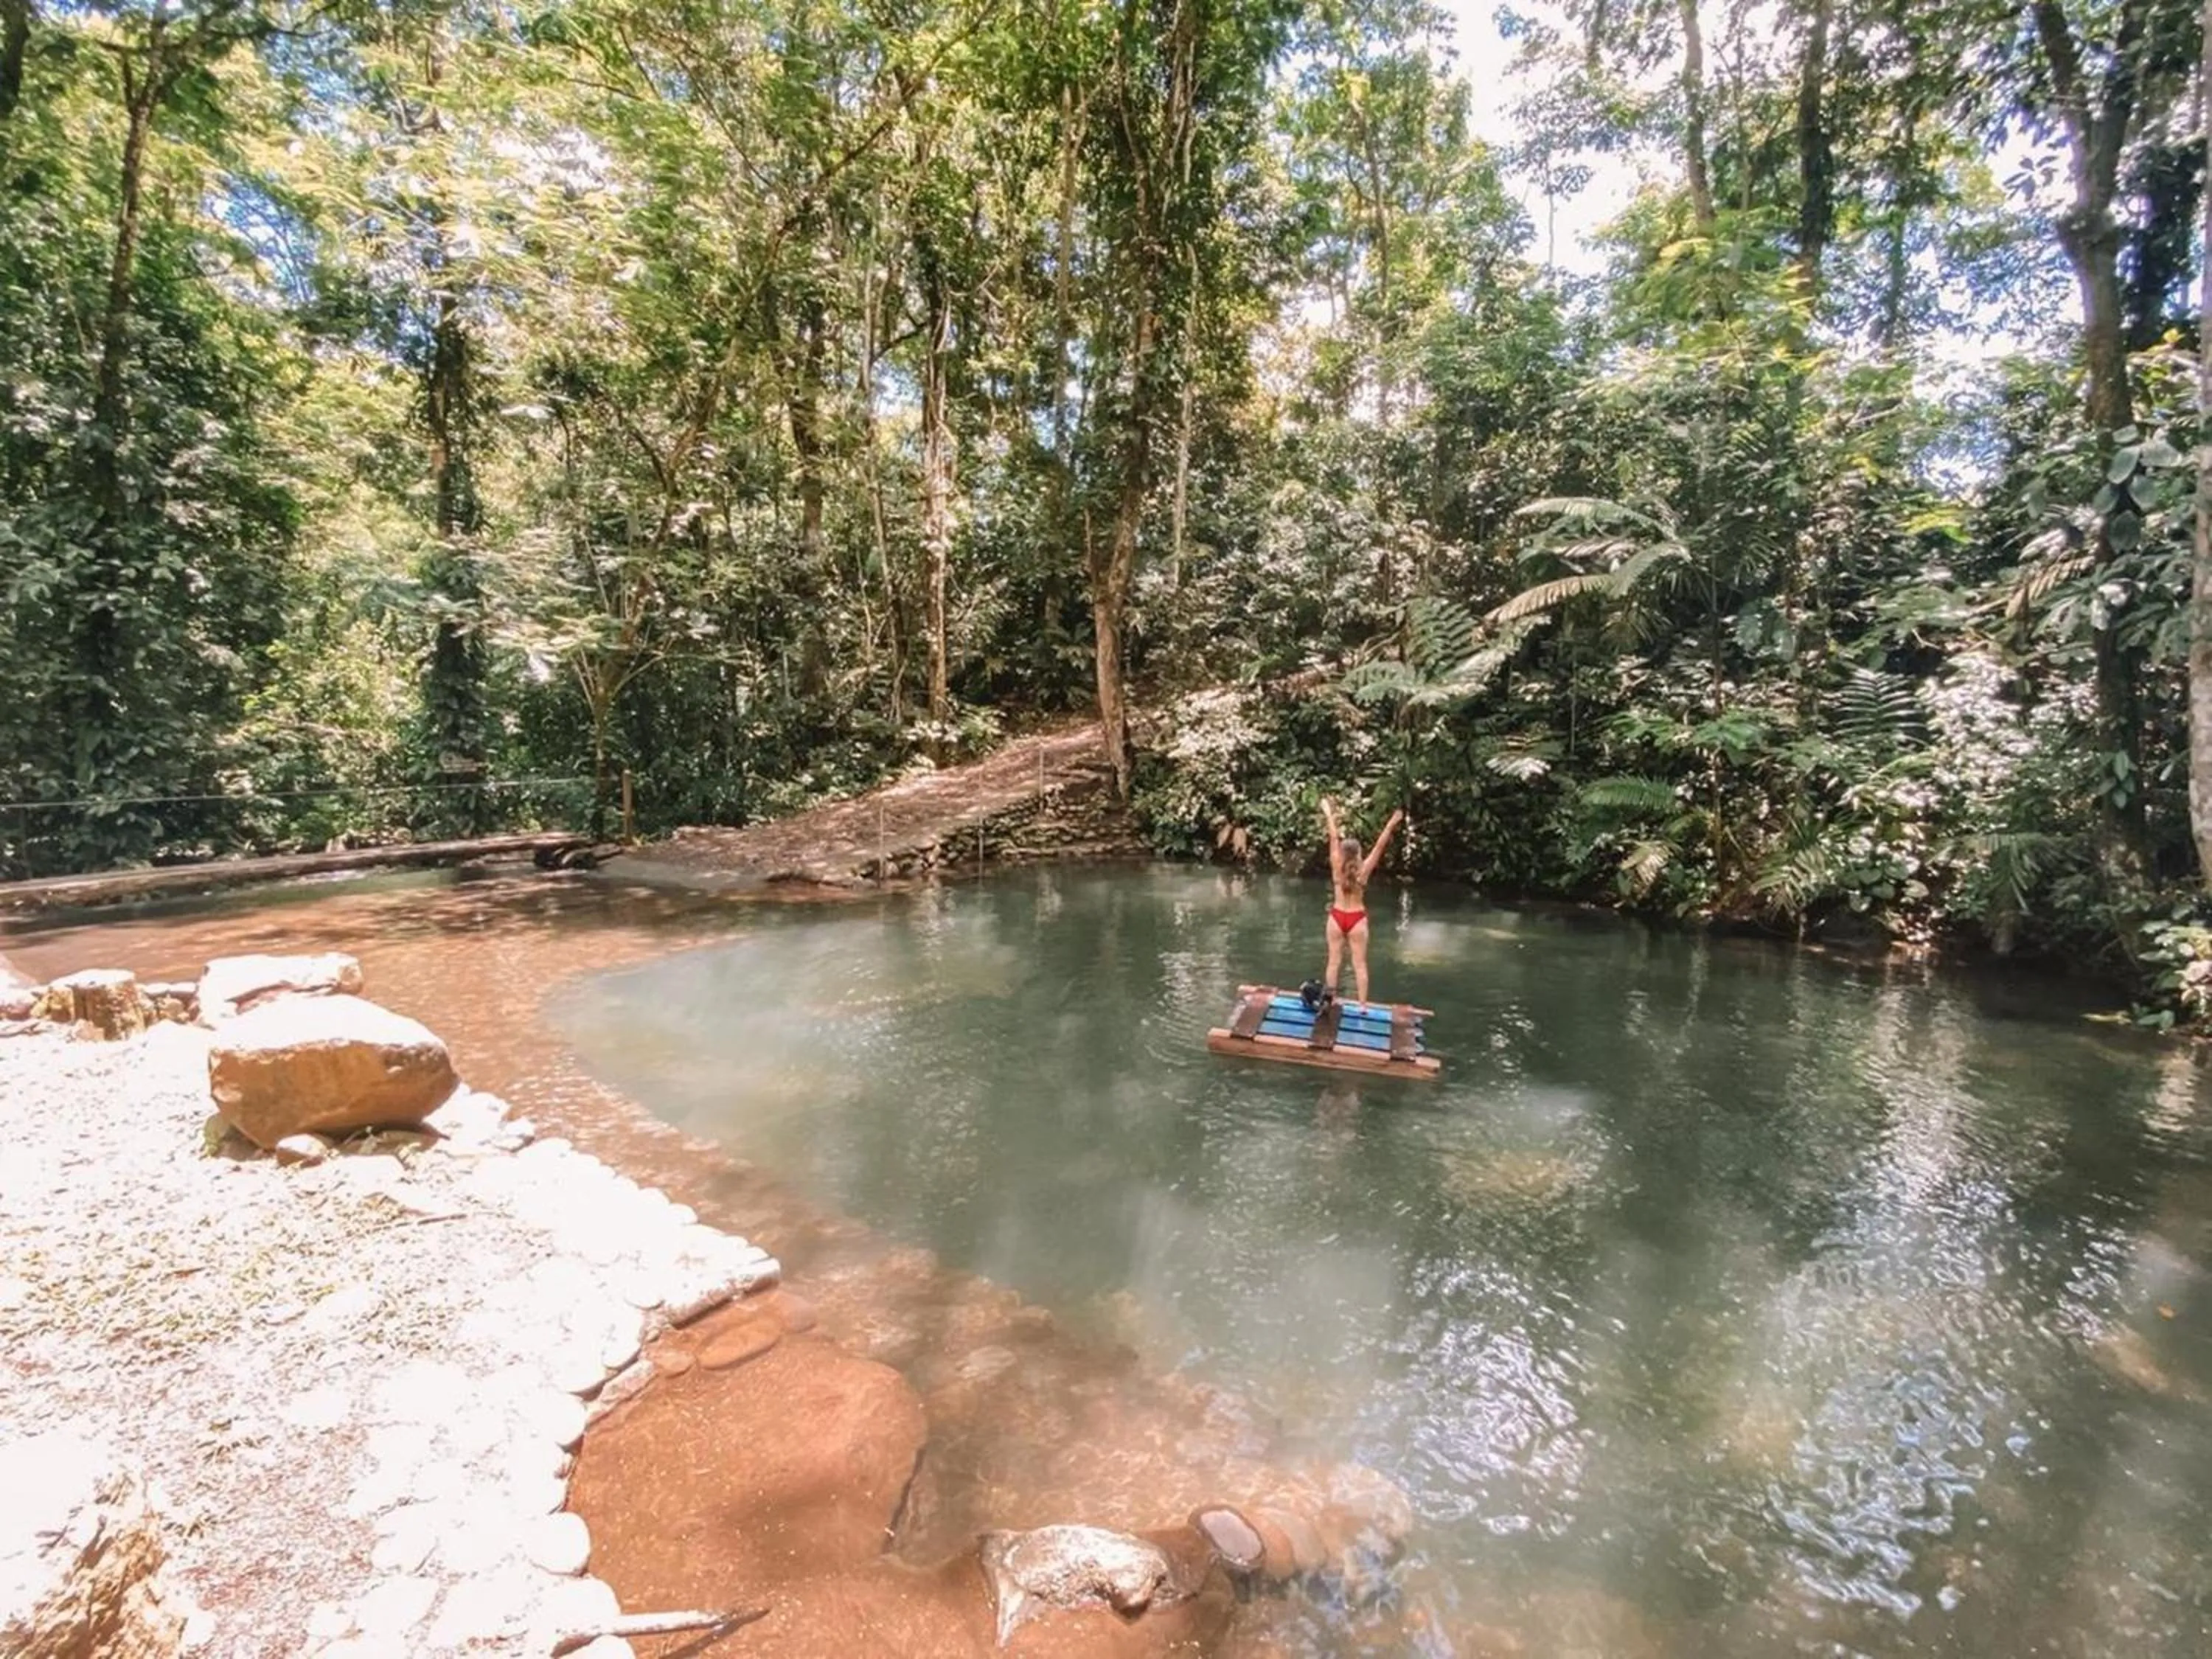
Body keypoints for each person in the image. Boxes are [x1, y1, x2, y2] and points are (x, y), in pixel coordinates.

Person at [1320, 795, 1402, 1005]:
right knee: (1359, 965)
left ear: (1342, 853)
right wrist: (1392, 823)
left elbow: (1333, 837)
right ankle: (1363, 1006)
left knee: (1333, 962)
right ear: (1358, 854)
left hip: (1337, 917)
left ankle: (1330, 1001)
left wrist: (1328, 813)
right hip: (1357, 919)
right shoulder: (1363, 871)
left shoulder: (1337, 868)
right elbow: (1380, 846)